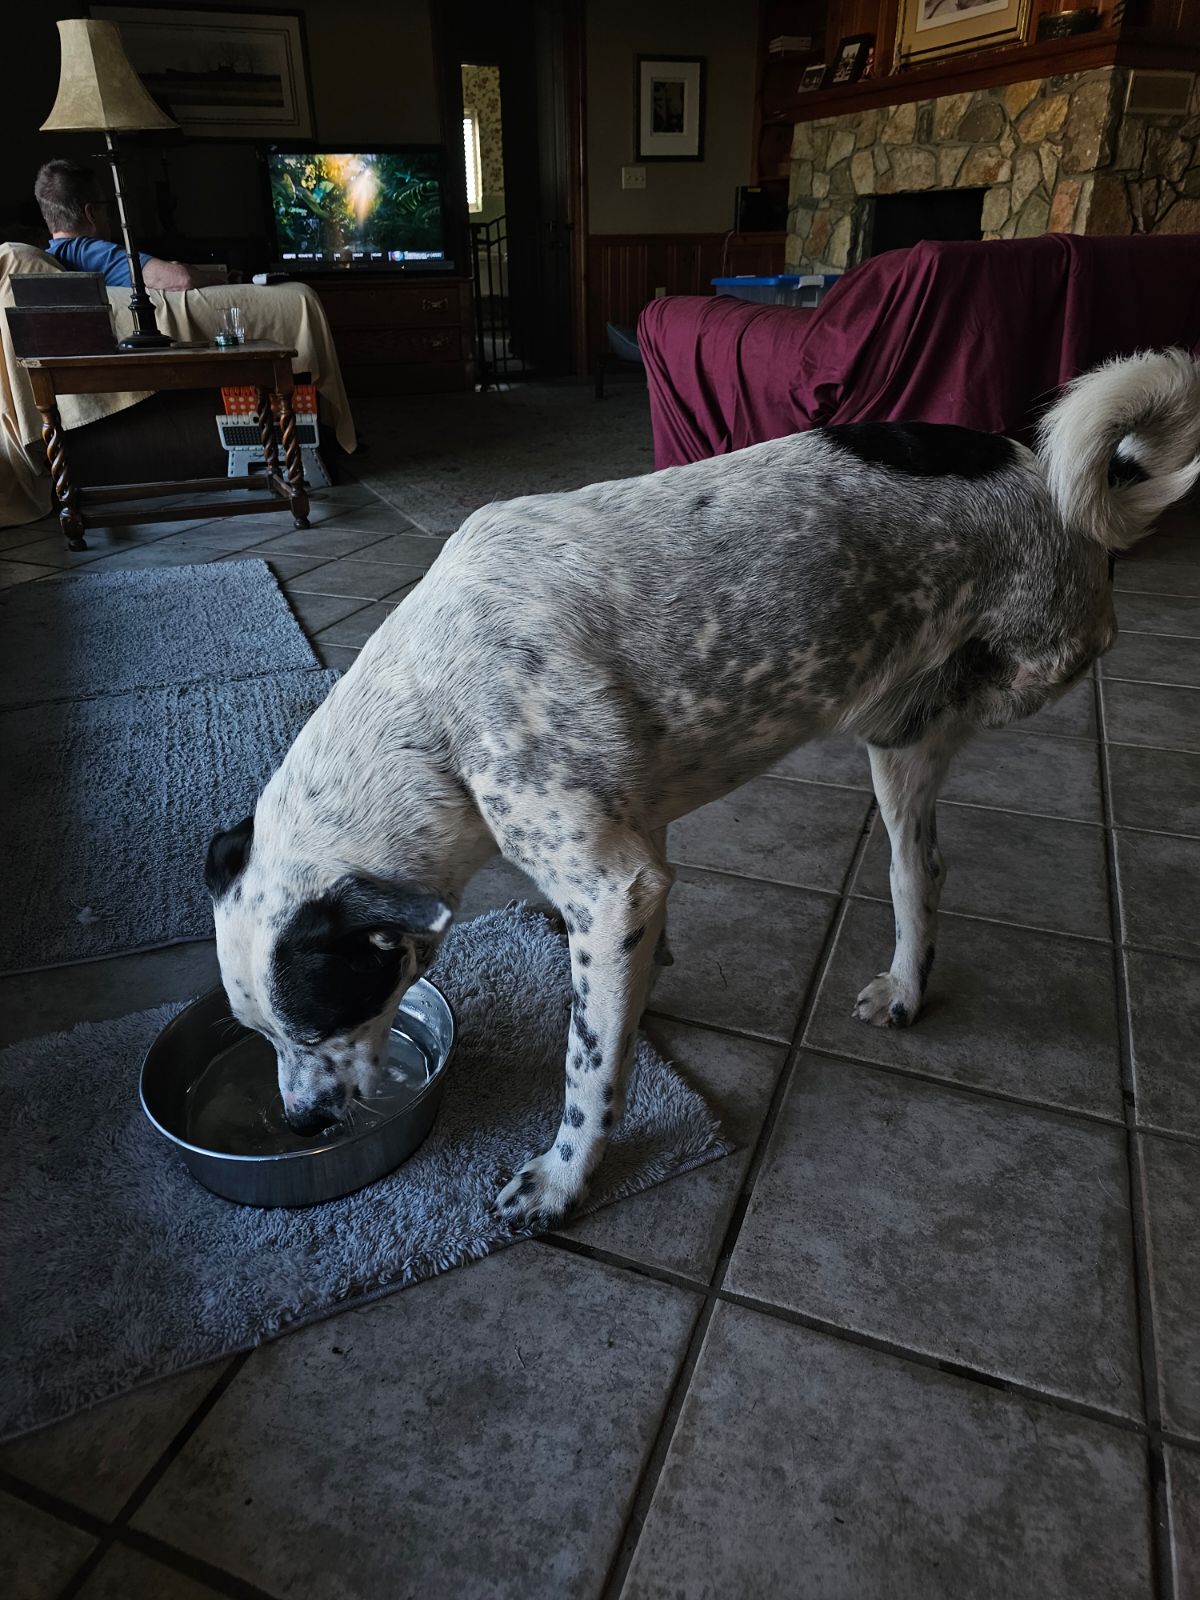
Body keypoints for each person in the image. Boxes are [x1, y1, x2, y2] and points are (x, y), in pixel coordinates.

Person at [34, 159, 227, 290]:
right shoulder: (90, 252)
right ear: (91, 213)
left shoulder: (48, 259)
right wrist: (210, 279)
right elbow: (182, 279)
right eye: (105, 206)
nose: (109, 216)